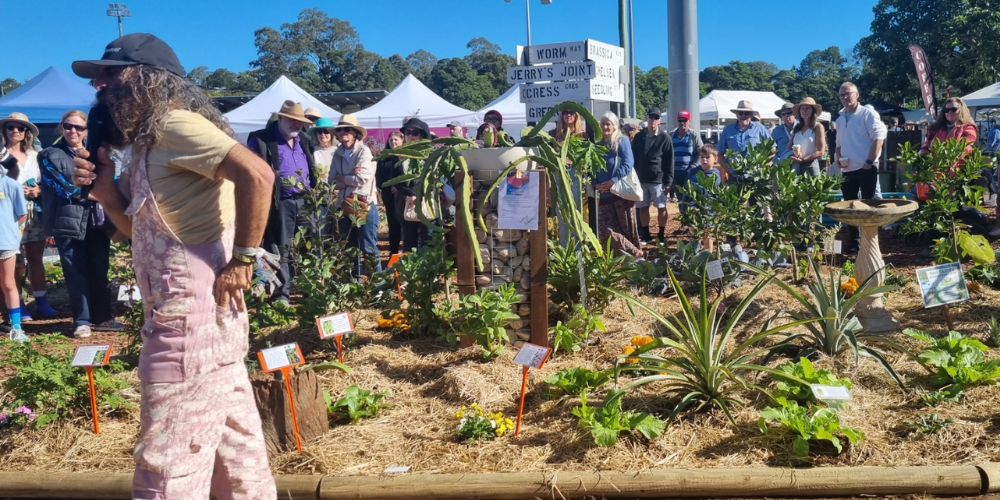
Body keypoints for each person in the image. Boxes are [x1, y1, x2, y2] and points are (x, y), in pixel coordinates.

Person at [69, 33, 276, 499]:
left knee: (166, 464)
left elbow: (258, 173)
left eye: (110, 72)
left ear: (146, 79)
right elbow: (134, 230)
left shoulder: (173, 126)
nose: (100, 83)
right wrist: (105, 190)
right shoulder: (147, 141)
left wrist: (245, 258)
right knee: (235, 454)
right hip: (198, 319)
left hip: (189, 324)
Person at [38, 111, 118, 338]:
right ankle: (82, 321)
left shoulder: (96, 154)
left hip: (96, 222)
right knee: (75, 272)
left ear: (87, 130)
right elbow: (64, 188)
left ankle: (103, 318)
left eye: (79, 127)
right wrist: (102, 195)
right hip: (67, 221)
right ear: (61, 128)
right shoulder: (48, 154)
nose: (73, 131)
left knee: (100, 270)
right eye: (68, 126)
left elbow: (111, 180)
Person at [247, 100, 318, 305]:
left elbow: (311, 167)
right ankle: (281, 295)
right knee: (281, 249)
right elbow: (251, 170)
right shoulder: (262, 139)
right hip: (280, 202)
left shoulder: (304, 139)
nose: (296, 124)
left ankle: (311, 290)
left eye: (299, 121)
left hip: (304, 200)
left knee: (309, 247)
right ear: (281, 118)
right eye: (292, 120)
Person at [0, 112, 59, 319]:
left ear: (27, 132)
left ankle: (42, 302)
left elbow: (47, 183)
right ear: (5, 131)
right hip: (8, 215)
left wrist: (38, 191)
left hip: (34, 213)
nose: (15, 130)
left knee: (36, 257)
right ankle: (18, 305)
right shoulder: (1, 155)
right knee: (13, 260)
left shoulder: (36, 156)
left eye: (20, 127)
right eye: (11, 127)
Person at [834, 82, 887, 254]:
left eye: (848, 93)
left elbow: (879, 138)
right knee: (850, 208)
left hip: (866, 168)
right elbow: (838, 144)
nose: (845, 98)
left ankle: (870, 243)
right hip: (848, 170)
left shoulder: (868, 114)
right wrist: (839, 158)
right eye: (842, 95)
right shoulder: (840, 118)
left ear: (858, 94)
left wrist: (869, 162)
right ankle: (855, 242)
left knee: (868, 206)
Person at [331, 114, 380, 276]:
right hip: (344, 205)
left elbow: (362, 178)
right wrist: (349, 178)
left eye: (347, 129)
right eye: (340, 129)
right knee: (349, 250)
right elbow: (331, 181)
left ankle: (379, 289)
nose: (343, 132)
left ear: (355, 133)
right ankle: (353, 287)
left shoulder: (364, 151)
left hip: (363, 205)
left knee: (368, 248)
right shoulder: (336, 153)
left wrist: (341, 178)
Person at [592, 112, 642, 259]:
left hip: (621, 193)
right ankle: (635, 253)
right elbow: (592, 168)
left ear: (615, 126)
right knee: (605, 231)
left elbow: (628, 164)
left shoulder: (622, 141)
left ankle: (634, 265)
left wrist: (612, 180)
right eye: (603, 123)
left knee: (627, 229)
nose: (605, 126)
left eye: (608, 123)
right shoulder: (596, 145)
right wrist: (596, 185)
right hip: (604, 194)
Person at [630, 107, 674, 243]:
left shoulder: (665, 138)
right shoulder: (639, 137)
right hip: (641, 179)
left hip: (658, 180)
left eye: (656, 118)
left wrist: (668, 182)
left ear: (659, 120)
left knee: (661, 207)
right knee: (643, 208)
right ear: (646, 118)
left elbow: (669, 161)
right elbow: (633, 158)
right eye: (651, 117)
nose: (653, 120)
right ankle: (647, 235)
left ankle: (661, 234)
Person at [0, 164, 27, 340]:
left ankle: (16, 327)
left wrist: (8, 231)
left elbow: (22, 214)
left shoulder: (11, 184)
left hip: (5, 243)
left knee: (8, 284)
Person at [395, 118, 431, 250]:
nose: (410, 136)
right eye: (407, 132)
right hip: (406, 201)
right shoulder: (399, 153)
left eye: (415, 133)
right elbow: (394, 178)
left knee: (428, 241)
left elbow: (427, 176)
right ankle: (410, 270)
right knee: (409, 241)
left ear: (422, 135)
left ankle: (428, 270)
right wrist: (409, 194)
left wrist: (414, 193)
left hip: (425, 200)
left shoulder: (428, 153)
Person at [717, 100, 772, 178]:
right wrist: (727, 170)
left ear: (751, 115)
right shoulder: (727, 130)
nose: (743, 116)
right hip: (735, 176)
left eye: (746, 113)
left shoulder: (760, 128)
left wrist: (765, 167)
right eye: (740, 113)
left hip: (756, 175)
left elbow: (772, 148)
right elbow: (719, 153)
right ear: (736, 115)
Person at [669, 110, 702, 230]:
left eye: (685, 120)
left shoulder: (694, 135)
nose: (682, 123)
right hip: (676, 173)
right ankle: (684, 224)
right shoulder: (671, 135)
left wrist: (692, 167)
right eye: (680, 120)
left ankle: (693, 224)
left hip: (690, 173)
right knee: (681, 200)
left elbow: (700, 153)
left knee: (691, 199)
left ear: (689, 121)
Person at [688, 144, 722, 252]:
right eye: (702, 157)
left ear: (715, 159)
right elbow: (688, 191)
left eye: (708, 157)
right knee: (694, 232)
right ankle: (697, 256)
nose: (704, 160)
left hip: (709, 211)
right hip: (694, 209)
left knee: (708, 233)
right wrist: (690, 207)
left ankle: (709, 256)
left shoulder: (715, 176)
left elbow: (713, 196)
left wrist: (706, 209)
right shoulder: (693, 172)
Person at [376, 131, 405, 256]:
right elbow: (379, 178)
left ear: (402, 141)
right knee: (393, 225)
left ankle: (407, 252)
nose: (393, 142)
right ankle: (393, 252)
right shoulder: (384, 158)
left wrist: (398, 185)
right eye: (391, 140)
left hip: (404, 196)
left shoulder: (406, 157)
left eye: (396, 140)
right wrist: (388, 185)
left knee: (406, 224)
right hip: (389, 196)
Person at [789, 97, 827, 177]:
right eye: (802, 108)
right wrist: (792, 156)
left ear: (813, 111)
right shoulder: (797, 128)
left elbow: (821, 151)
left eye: (807, 108)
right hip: (795, 165)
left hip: (811, 165)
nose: (804, 111)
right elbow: (788, 148)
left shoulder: (818, 127)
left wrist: (803, 160)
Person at [310, 117, 336, 182]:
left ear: (332, 134)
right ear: (316, 134)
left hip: (336, 188)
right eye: (319, 132)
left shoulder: (338, 150)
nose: (322, 134)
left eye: (326, 131)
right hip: (318, 189)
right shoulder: (312, 151)